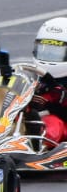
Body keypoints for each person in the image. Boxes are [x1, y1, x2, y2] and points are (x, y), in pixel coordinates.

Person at [29, 17, 67, 145]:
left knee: (51, 123)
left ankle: (36, 141)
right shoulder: (36, 76)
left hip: (60, 122)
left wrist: (60, 98)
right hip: (34, 116)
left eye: (56, 52)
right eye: (45, 50)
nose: (49, 57)